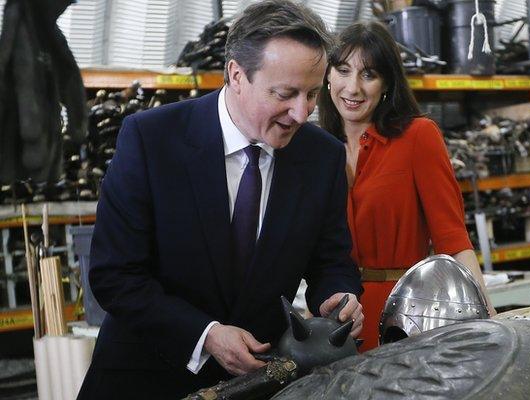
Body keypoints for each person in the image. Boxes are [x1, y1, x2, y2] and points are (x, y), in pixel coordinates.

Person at [78, 2, 363, 398]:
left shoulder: (322, 157)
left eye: (313, 94)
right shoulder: (151, 140)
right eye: (285, 94)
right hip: (146, 379)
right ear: (236, 75)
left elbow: (331, 260)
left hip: (258, 382)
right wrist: (205, 334)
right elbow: (115, 275)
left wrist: (338, 296)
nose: (301, 113)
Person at [318, 21, 495, 352]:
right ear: (327, 75)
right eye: (343, 70)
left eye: (368, 74)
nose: (352, 87)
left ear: (386, 83)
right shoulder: (314, 149)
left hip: (407, 320)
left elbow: (454, 241)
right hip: (336, 325)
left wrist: (488, 322)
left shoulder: (418, 137)